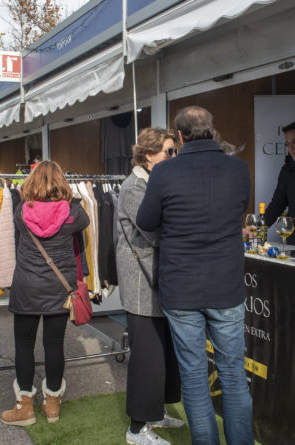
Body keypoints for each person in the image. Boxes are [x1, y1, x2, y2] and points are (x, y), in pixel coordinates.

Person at [136, 106, 253, 444]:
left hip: (181, 288)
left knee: (194, 378)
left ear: (181, 137)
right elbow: (240, 208)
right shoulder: (238, 169)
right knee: (233, 375)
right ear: (212, 131)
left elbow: (145, 221)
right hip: (226, 286)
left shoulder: (164, 173)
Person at [1, 160, 89, 427]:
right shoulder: (74, 213)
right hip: (58, 289)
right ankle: (52, 405)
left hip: (26, 286)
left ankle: (24, 406)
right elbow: (83, 220)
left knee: (24, 346)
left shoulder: (20, 211)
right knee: (54, 346)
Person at [116, 128, 184, 445]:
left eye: (174, 151)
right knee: (147, 357)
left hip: (159, 279)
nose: (173, 157)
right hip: (143, 282)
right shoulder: (134, 188)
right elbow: (153, 230)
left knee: (162, 353)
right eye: (168, 152)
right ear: (149, 155)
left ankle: (154, 413)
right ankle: (136, 429)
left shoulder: (152, 183)